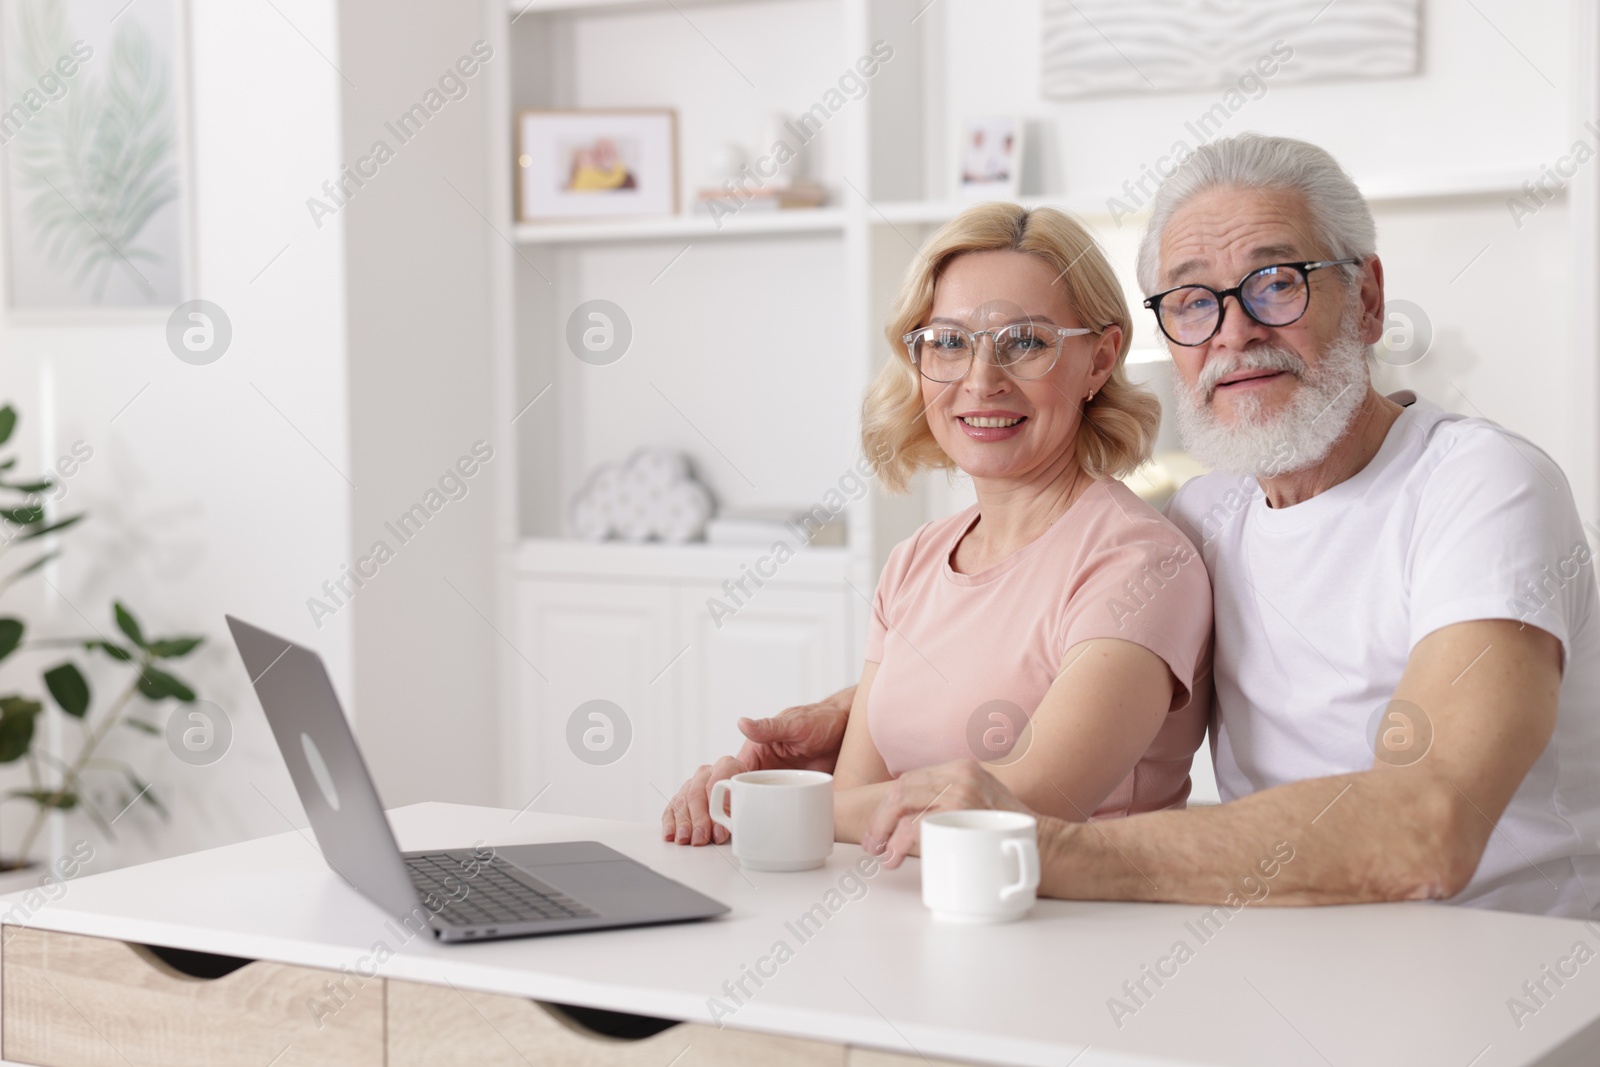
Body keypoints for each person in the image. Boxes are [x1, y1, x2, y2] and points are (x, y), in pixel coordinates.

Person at [668, 133, 1600, 919]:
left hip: (1505, 968)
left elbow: (1426, 822)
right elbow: (1048, 619)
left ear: (1365, 297)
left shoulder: (1482, 486)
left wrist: (1056, 851)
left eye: (1275, 282)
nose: (1234, 332)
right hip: (1287, 943)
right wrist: (852, 714)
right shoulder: (1210, 513)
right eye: (1193, 302)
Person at [662, 203, 1214, 847]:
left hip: (1074, 934)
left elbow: (1014, 812)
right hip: (901, 920)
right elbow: (849, 811)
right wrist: (779, 791)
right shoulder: (917, 560)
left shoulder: (1140, 563)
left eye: (1026, 342)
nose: (982, 381)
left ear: (1099, 360)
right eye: (949, 343)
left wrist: (763, 804)